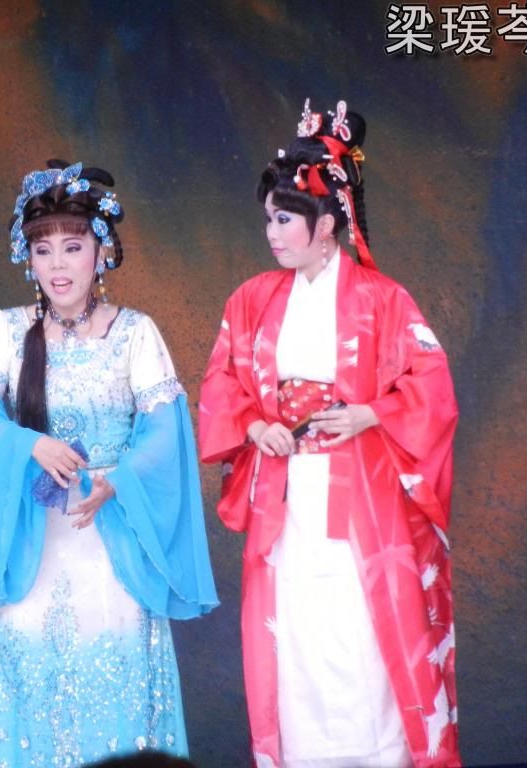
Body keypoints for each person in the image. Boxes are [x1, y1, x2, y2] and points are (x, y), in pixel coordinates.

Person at [198, 100, 461, 768]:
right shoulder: (252, 299)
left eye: (284, 219)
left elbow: (432, 387)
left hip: (362, 489)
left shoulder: (383, 298)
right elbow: (222, 380)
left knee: (364, 625)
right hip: (287, 488)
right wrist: (258, 424)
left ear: (326, 224)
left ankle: (380, 756)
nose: (273, 233)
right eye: (269, 219)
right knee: (293, 627)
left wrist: (371, 412)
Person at [0, 160, 218, 768]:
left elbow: (164, 432)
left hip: (111, 542)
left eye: (73, 248)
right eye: (43, 250)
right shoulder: (7, 331)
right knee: (32, 679)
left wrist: (117, 481)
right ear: (28, 258)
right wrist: (29, 444)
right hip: (34, 542)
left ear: (102, 253)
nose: (58, 265)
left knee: (117, 677)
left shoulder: (134, 333)